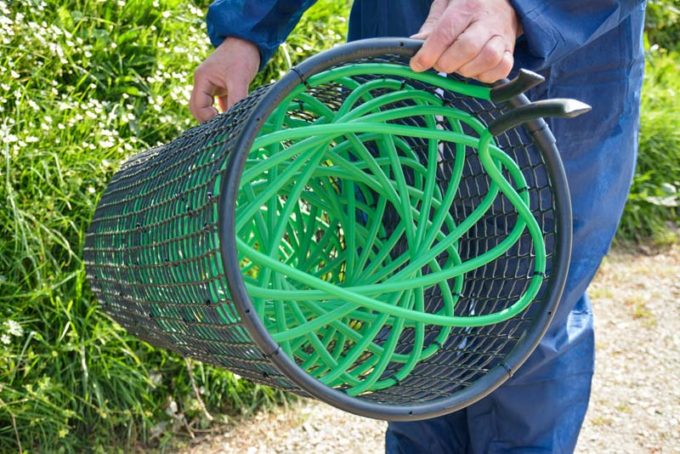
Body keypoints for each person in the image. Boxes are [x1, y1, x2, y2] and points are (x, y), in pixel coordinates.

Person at [189, 0, 646, 452]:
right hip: (400, 73)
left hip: (556, 64)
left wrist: (524, 9)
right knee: (411, 322)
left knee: (526, 323)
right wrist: (246, 31)